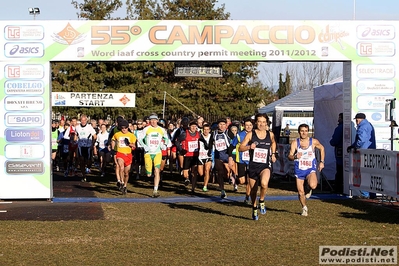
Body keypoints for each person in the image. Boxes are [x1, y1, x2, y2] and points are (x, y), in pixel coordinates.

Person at [239, 113, 277, 220]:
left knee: (264, 184)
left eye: (263, 122)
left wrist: (273, 154)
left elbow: (273, 143)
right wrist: (249, 147)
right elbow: (240, 148)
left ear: (266, 123)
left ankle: (262, 200)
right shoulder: (251, 134)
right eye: (259, 121)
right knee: (253, 190)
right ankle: (254, 208)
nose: (261, 124)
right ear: (256, 122)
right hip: (253, 166)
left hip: (265, 165)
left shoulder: (270, 134)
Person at [288, 124, 325, 217]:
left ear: (308, 131)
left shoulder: (313, 141)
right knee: (300, 192)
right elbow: (290, 156)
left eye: (305, 131)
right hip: (299, 169)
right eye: (302, 131)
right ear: (299, 132)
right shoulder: (295, 143)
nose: (304, 133)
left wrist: (322, 162)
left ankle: (308, 188)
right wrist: (295, 156)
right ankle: (304, 208)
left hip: (310, 169)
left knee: (313, 185)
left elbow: (322, 148)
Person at [138, 113, 170, 198]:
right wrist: (144, 146)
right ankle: (147, 172)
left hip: (157, 153)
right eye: (151, 120)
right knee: (148, 174)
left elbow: (166, 138)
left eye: (154, 120)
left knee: (157, 171)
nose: (153, 122)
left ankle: (155, 190)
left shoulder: (161, 130)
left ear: (157, 120)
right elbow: (139, 138)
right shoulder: (146, 129)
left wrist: (164, 145)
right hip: (148, 153)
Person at [347, 113, 376, 199]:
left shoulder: (362, 126)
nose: (356, 122)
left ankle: (365, 194)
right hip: (370, 151)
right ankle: (372, 194)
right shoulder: (369, 125)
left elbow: (361, 139)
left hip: (363, 152)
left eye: (356, 120)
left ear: (358, 119)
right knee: (370, 173)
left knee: (363, 173)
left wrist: (355, 146)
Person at [230, 117, 253, 204]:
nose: (248, 127)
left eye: (250, 125)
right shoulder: (240, 135)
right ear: (243, 126)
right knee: (242, 180)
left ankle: (247, 197)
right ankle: (236, 180)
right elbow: (232, 146)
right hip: (241, 160)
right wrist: (230, 157)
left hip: (251, 160)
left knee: (249, 180)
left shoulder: (255, 134)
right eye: (247, 125)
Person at [111, 119, 136, 195]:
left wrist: (129, 144)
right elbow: (113, 140)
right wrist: (113, 149)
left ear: (128, 128)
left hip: (128, 155)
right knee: (121, 167)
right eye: (122, 128)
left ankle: (125, 185)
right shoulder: (117, 134)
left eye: (125, 128)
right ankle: (121, 182)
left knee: (126, 173)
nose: (124, 129)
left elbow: (134, 146)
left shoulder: (131, 136)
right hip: (120, 153)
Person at [176, 120, 201, 192]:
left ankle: (193, 188)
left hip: (195, 155)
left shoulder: (199, 134)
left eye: (195, 126)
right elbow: (177, 141)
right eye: (192, 126)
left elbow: (203, 141)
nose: (193, 128)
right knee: (185, 172)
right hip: (187, 155)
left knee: (194, 172)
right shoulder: (185, 134)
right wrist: (181, 149)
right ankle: (187, 179)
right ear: (189, 127)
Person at [209, 118, 231, 199]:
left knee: (227, 172)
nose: (222, 126)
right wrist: (209, 150)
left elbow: (233, 142)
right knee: (220, 173)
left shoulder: (228, 132)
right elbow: (211, 142)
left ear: (226, 125)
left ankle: (230, 178)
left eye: (223, 124)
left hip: (227, 155)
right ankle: (222, 190)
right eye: (220, 124)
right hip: (218, 155)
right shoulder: (214, 133)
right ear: (218, 125)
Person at [75, 114, 97, 182]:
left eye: (84, 120)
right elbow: (76, 135)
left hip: (88, 146)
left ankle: (88, 167)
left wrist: (92, 144)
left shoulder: (89, 127)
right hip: (80, 146)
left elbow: (95, 136)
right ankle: (84, 175)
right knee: (81, 161)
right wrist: (75, 141)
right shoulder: (77, 127)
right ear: (80, 120)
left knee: (89, 161)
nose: (83, 121)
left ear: (86, 120)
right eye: (82, 120)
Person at [329, 113, 343, 194]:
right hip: (343, 151)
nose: (338, 119)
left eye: (339, 118)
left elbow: (335, 140)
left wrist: (332, 142)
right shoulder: (349, 127)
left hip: (340, 152)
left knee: (340, 169)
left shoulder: (340, 128)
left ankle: (338, 187)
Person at [197, 123, 212, 192]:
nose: (206, 131)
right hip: (200, 157)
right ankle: (204, 180)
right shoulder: (199, 137)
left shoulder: (211, 137)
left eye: (207, 129)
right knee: (201, 173)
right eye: (204, 129)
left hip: (208, 156)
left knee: (207, 170)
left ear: (209, 130)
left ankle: (205, 186)